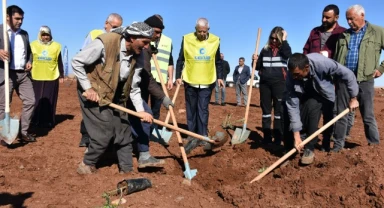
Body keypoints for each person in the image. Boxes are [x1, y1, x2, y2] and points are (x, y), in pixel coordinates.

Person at [72, 22, 155, 174]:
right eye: (144, 42)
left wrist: (141, 111)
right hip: (92, 94)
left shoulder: (139, 56)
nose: (146, 47)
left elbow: (134, 87)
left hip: (115, 93)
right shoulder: (105, 42)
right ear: (131, 38)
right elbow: (77, 61)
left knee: (123, 129)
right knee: (105, 131)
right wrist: (88, 88)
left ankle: (127, 169)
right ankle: (87, 164)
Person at [284, 53, 359, 165]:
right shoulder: (291, 75)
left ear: (306, 68)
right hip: (306, 93)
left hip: (325, 94)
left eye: (297, 74)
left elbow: (347, 73)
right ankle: (306, 146)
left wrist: (353, 97)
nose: (294, 77)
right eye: (292, 74)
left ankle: (324, 144)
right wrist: (296, 135)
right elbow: (292, 104)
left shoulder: (322, 63)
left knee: (328, 119)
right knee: (306, 112)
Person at [333, 4, 384, 151]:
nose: (349, 22)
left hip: (365, 80)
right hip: (344, 81)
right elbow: (337, 57)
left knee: (367, 115)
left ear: (362, 16)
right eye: (347, 19)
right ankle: (337, 147)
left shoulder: (378, 32)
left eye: (352, 19)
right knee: (341, 114)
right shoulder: (344, 35)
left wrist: (381, 69)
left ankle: (373, 147)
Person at [126, 14, 173, 167]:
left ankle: (135, 149)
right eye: (157, 32)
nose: (158, 35)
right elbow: (146, 78)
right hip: (132, 89)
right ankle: (144, 156)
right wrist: (162, 97)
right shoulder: (143, 46)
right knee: (145, 117)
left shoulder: (146, 46)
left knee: (135, 119)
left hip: (135, 87)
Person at [302, 4, 355, 140]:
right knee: (311, 107)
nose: (324, 19)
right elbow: (306, 51)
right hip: (313, 77)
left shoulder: (343, 33)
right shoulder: (314, 32)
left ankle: (327, 139)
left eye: (328, 17)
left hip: (332, 79)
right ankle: (307, 136)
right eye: (323, 16)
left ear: (336, 17)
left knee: (330, 110)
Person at [175, 17, 224, 154]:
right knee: (191, 109)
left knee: (202, 109)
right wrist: (178, 76)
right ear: (195, 29)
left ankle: (202, 135)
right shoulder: (187, 39)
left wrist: (220, 77)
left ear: (208, 29)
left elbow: (218, 61)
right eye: (199, 31)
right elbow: (181, 59)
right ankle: (191, 135)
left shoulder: (215, 40)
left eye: (204, 31)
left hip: (207, 80)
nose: (202, 34)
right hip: (190, 80)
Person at [78, 13, 123, 147]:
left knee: (103, 110)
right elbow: (82, 55)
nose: (115, 30)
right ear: (106, 24)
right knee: (90, 109)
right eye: (113, 27)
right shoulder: (94, 34)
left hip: (106, 80)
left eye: (118, 28)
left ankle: (104, 141)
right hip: (92, 77)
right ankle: (86, 137)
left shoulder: (117, 39)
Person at [0, 5, 36, 142]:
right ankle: (4, 134)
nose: (20, 21)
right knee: (4, 105)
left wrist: (29, 61)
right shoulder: (0, 30)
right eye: (17, 18)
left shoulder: (24, 34)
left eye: (22, 19)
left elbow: (29, 52)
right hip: (6, 74)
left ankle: (23, 132)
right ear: (7, 17)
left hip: (23, 74)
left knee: (31, 101)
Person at [254, 27, 292, 145]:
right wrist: (254, 60)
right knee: (266, 111)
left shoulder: (283, 49)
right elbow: (257, 67)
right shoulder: (265, 50)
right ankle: (266, 136)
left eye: (277, 38)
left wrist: (284, 40)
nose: (274, 41)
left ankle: (278, 137)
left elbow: (288, 55)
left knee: (278, 112)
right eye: (272, 38)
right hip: (265, 83)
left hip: (279, 83)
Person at [30, 26, 64, 128]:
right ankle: (35, 119)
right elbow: (29, 60)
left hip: (52, 76)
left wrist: (61, 75)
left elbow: (59, 61)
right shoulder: (33, 45)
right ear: (40, 35)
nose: (45, 37)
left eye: (47, 35)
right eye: (43, 35)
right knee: (36, 99)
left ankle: (48, 120)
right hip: (36, 75)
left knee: (50, 99)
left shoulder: (56, 46)